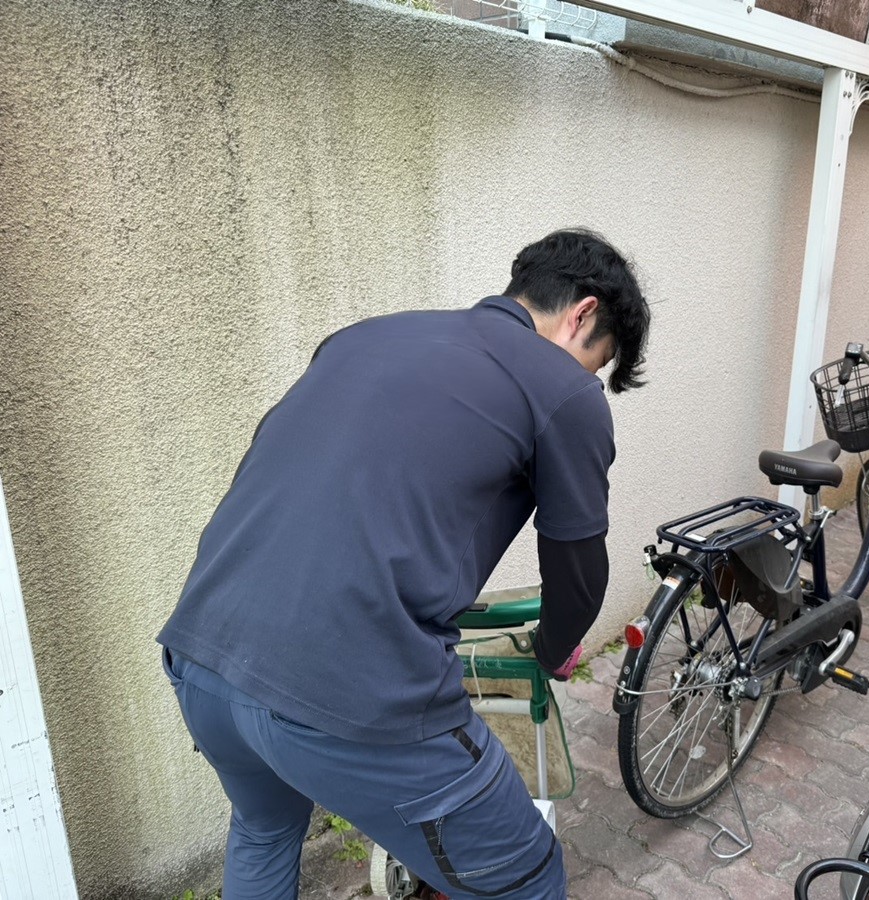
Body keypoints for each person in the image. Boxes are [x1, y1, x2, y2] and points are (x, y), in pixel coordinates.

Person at [157, 229, 650, 900]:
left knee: (264, 831)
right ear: (583, 313)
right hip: (349, 689)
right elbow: (579, 571)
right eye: (596, 362)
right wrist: (554, 649)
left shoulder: (363, 338)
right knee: (528, 875)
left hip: (203, 655)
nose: (585, 378)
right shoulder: (563, 388)